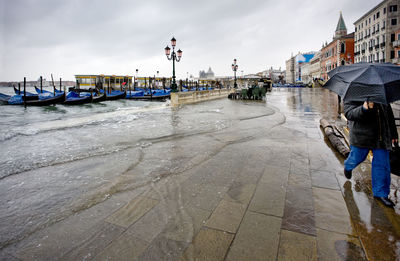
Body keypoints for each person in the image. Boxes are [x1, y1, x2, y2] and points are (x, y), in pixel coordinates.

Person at [344, 100, 398, 207]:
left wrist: (393, 133)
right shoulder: (354, 91)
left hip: (381, 136)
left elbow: (388, 112)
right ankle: (348, 166)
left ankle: (381, 193)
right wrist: (364, 108)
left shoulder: (380, 91)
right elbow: (349, 113)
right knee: (357, 157)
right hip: (361, 136)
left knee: (382, 164)